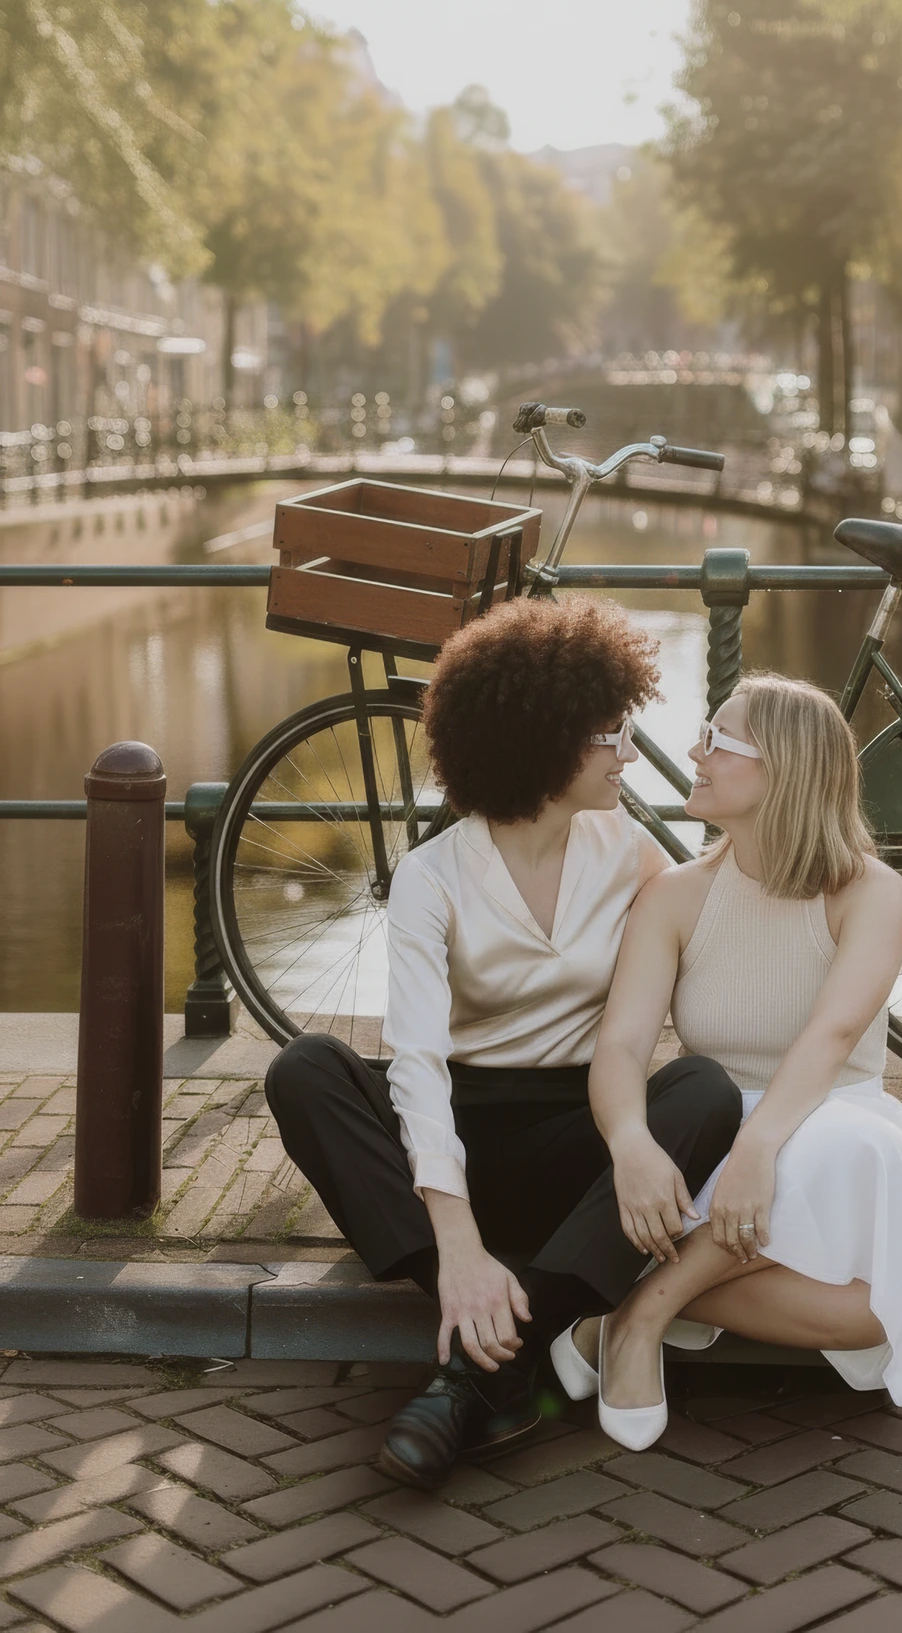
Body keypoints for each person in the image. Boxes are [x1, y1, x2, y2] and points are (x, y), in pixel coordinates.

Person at [264, 597, 741, 1488]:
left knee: (704, 1090)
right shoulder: (431, 876)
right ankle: (499, 1321)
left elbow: (690, 988)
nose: (629, 753)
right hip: (464, 1133)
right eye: (611, 733)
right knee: (306, 1071)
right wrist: (457, 1243)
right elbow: (417, 1064)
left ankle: (480, 1369)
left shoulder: (634, 853)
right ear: (546, 741)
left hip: (580, 1133)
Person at [554, 674, 902, 1448]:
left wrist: (761, 1147)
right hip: (713, 1130)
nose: (693, 752)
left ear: (784, 768)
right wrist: (632, 1144)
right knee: (765, 1136)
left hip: (828, 1127)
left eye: (718, 741)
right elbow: (620, 1045)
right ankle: (640, 1322)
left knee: (880, 1301)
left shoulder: (870, 891)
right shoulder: (675, 894)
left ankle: (633, 1306)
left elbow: (832, 1037)